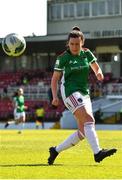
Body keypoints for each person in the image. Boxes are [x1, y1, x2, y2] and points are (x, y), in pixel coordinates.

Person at [48, 26, 117, 165]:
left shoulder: (87, 53)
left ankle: (55, 150)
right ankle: (98, 153)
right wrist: (55, 96)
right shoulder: (63, 58)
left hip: (84, 92)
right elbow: (55, 78)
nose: (74, 47)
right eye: (72, 44)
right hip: (69, 91)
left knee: (83, 131)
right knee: (89, 119)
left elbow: (95, 66)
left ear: (82, 43)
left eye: (77, 44)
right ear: (68, 43)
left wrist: (99, 72)